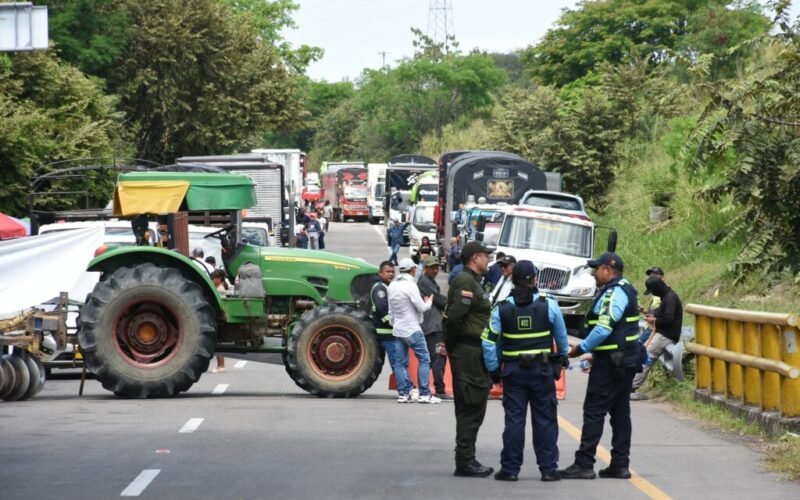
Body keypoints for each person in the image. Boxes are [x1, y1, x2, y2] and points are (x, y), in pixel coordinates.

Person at [559, 252, 644, 480]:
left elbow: (604, 328)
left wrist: (581, 348)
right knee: (620, 412)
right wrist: (596, 355)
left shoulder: (613, 293)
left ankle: (584, 464)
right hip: (623, 360)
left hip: (612, 365)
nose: (593, 274)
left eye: (596, 269)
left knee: (594, 411)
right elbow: (618, 333)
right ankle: (620, 464)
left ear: (608, 269)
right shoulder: (625, 289)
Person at [482, 260, 569, 482]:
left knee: (514, 420)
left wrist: (493, 369)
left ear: (512, 279)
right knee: (545, 420)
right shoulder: (549, 305)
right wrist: (562, 358)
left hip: (513, 372)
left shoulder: (501, 308)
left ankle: (510, 470)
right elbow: (561, 338)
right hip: (542, 371)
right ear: (534, 279)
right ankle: (548, 470)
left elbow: (488, 342)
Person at [445, 240, 494, 477]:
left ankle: (468, 458)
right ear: (475, 257)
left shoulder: (474, 281)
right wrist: (454, 347)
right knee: (470, 404)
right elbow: (454, 318)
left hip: (474, 351)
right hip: (468, 351)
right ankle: (464, 460)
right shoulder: (465, 281)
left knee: (475, 405)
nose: (488, 259)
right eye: (485, 255)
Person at [388, 258, 440, 404]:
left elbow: (390, 311)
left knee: (400, 363)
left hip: (398, 330)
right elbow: (422, 308)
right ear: (412, 270)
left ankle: (404, 394)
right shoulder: (411, 285)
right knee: (424, 359)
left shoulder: (392, 286)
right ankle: (424, 393)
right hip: (412, 329)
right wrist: (429, 301)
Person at [631, 275, 683, 400]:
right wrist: (652, 316)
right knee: (642, 353)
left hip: (666, 335)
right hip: (661, 332)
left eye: (652, 291)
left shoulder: (670, 298)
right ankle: (630, 385)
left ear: (658, 288)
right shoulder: (665, 297)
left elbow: (669, 318)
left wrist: (654, 320)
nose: (652, 294)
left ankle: (631, 388)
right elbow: (662, 314)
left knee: (646, 356)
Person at [417, 255, 450, 400]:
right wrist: (449, 302)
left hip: (431, 325)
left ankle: (425, 388)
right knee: (438, 358)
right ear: (425, 268)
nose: (435, 270)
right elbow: (439, 300)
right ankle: (439, 390)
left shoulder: (429, 281)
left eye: (437, 267)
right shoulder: (425, 282)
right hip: (433, 326)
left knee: (431, 359)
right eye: (432, 268)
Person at [370, 261, 402, 399]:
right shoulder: (380, 288)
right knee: (398, 362)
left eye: (393, 272)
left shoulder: (386, 286)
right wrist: (393, 324)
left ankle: (403, 388)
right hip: (386, 332)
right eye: (388, 272)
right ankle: (404, 389)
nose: (391, 274)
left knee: (397, 362)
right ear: (380, 273)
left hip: (387, 332)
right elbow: (382, 308)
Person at [211, 269, 228, 373]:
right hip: (220, 318)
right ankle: (220, 366)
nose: (212, 280)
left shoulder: (220, 290)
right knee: (218, 343)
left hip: (219, 318)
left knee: (218, 343)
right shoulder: (221, 287)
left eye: (213, 278)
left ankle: (221, 366)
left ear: (218, 279)